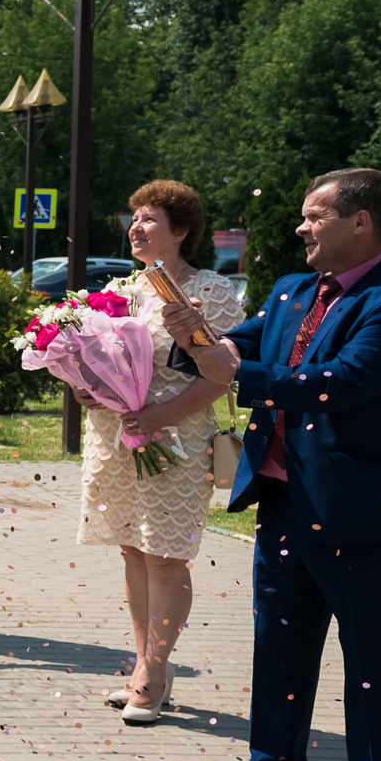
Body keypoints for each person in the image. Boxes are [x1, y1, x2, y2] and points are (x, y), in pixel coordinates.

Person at [165, 168, 381, 761]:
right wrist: (194, 336)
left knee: (373, 671)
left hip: (359, 516)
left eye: (316, 216)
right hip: (283, 503)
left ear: (361, 223)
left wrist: (231, 370)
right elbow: (242, 347)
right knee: (278, 658)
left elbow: (341, 383)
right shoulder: (291, 290)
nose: (301, 227)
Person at [72, 180, 246, 725]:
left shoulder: (211, 290)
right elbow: (98, 358)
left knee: (165, 557)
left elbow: (223, 376)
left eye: (149, 219)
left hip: (178, 439)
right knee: (132, 551)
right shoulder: (122, 289)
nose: (137, 228)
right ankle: (148, 665)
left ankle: (152, 671)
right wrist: (86, 387)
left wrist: (159, 415)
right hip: (118, 439)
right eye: (135, 219)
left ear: (182, 231)